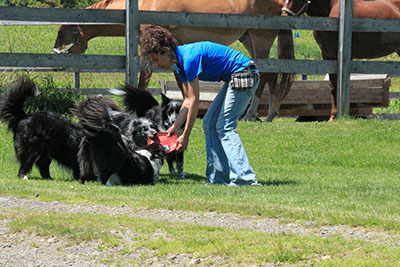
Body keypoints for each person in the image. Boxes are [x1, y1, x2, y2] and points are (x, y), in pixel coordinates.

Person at [139, 26, 260, 186]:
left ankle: (245, 178)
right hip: (233, 77)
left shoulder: (188, 59)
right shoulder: (180, 64)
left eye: (156, 59)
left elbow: (195, 101)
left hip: (244, 74)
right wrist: (175, 128)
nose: (157, 64)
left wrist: (185, 136)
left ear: (165, 51)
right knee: (209, 123)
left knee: (225, 126)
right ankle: (217, 179)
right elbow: (187, 101)